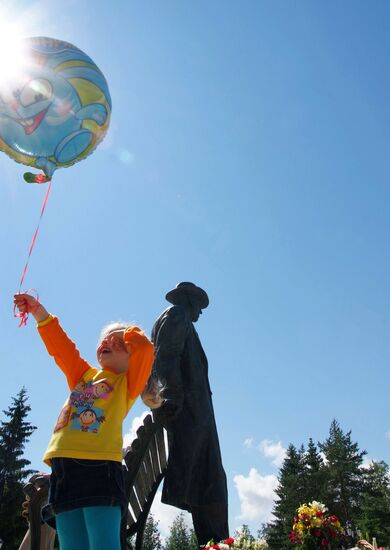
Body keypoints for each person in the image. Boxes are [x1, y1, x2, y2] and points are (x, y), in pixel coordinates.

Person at [13, 292, 155, 550]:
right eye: (105, 339)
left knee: (103, 544)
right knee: (71, 544)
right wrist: (38, 312)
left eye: (119, 341)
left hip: (99, 469)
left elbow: (145, 348)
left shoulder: (126, 384)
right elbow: (61, 348)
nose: (108, 341)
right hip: (64, 470)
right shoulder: (83, 375)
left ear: (132, 359)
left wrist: (129, 334)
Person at [151, 282, 229, 547]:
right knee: (212, 482)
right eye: (199, 304)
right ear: (188, 300)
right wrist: (171, 397)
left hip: (195, 413)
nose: (201, 312)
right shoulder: (177, 315)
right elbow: (166, 357)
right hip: (191, 414)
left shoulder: (181, 320)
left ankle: (213, 543)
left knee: (206, 483)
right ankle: (218, 543)